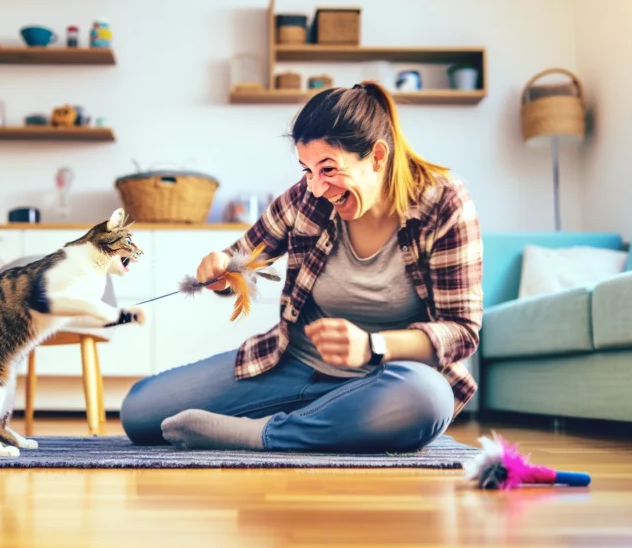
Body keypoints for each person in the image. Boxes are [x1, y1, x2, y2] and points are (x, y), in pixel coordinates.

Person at [120, 81, 483, 453]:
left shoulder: (444, 206)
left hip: (386, 381)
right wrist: (222, 268)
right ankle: (315, 423)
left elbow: (462, 331)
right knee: (139, 412)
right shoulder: (304, 200)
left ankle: (258, 434)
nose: (316, 187)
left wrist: (371, 346)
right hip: (295, 365)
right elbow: (243, 261)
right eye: (307, 170)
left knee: (428, 400)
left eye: (327, 169)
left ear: (376, 156)